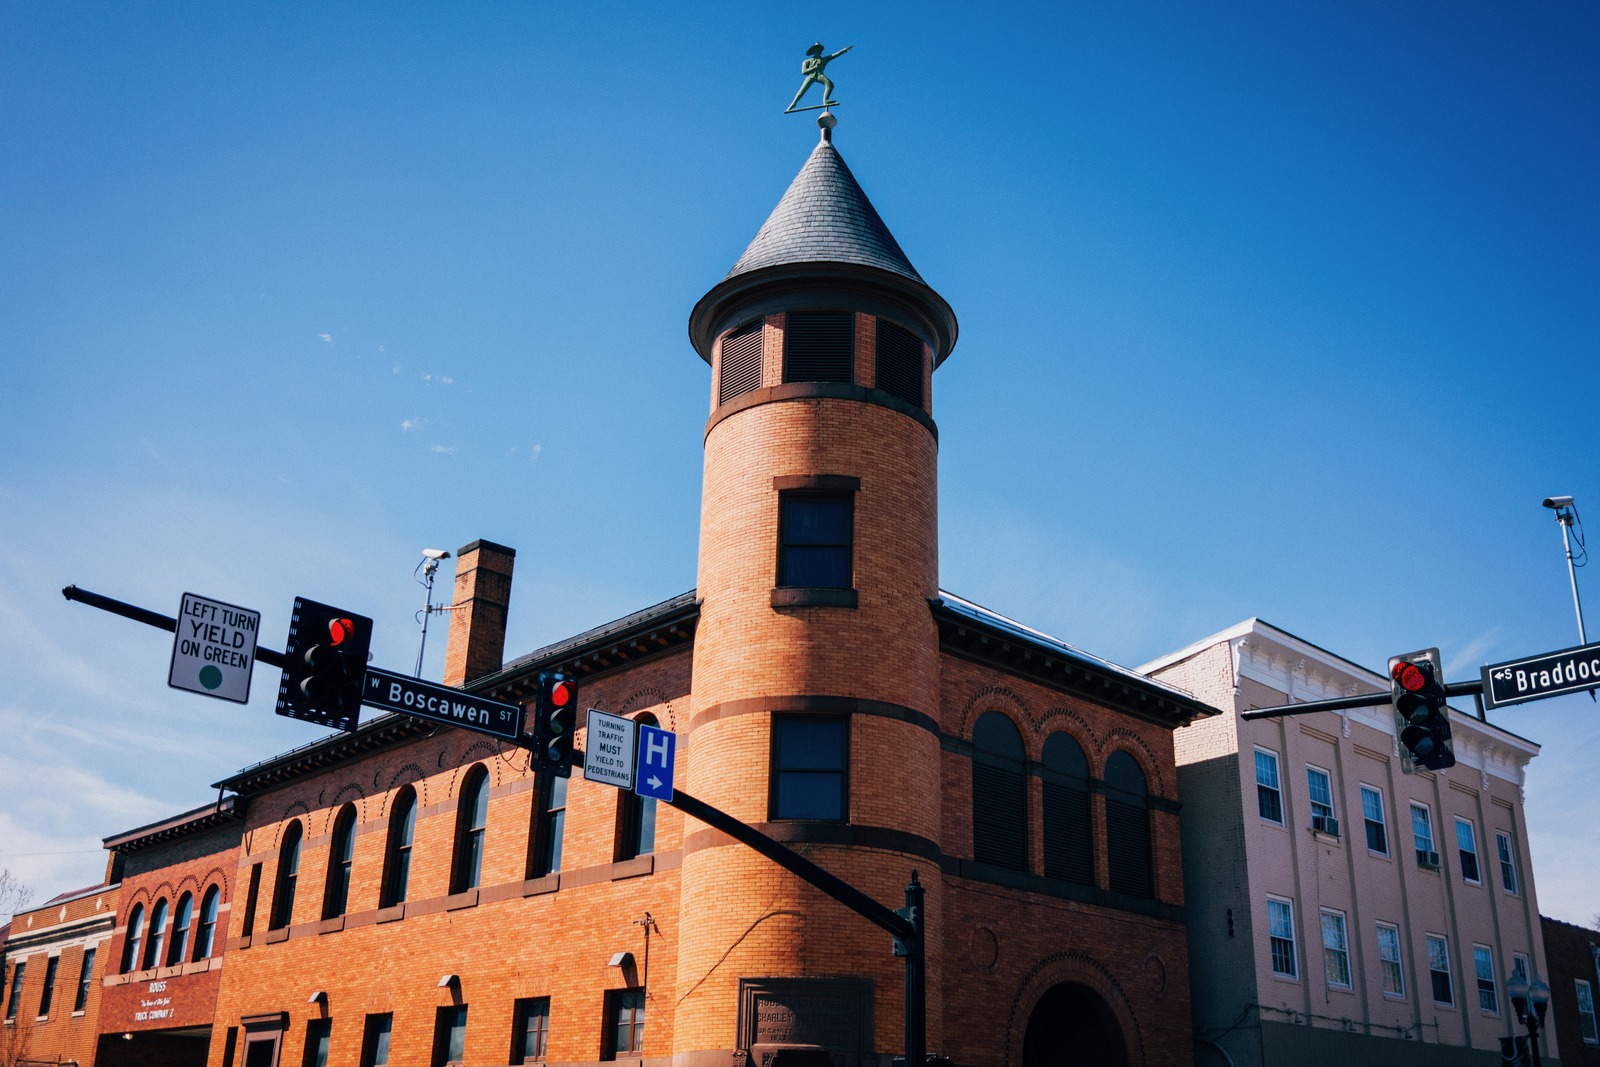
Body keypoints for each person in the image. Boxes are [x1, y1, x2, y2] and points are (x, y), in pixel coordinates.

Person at [786, 42, 853, 112]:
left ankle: (826, 100)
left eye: (820, 49)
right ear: (814, 51)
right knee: (802, 90)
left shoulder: (824, 59)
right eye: (817, 49)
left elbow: (834, 55)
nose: (819, 51)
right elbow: (804, 72)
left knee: (830, 84)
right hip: (810, 76)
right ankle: (793, 103)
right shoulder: (807, 61)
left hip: (819, 75)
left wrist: (845, 50)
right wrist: (814, 68)